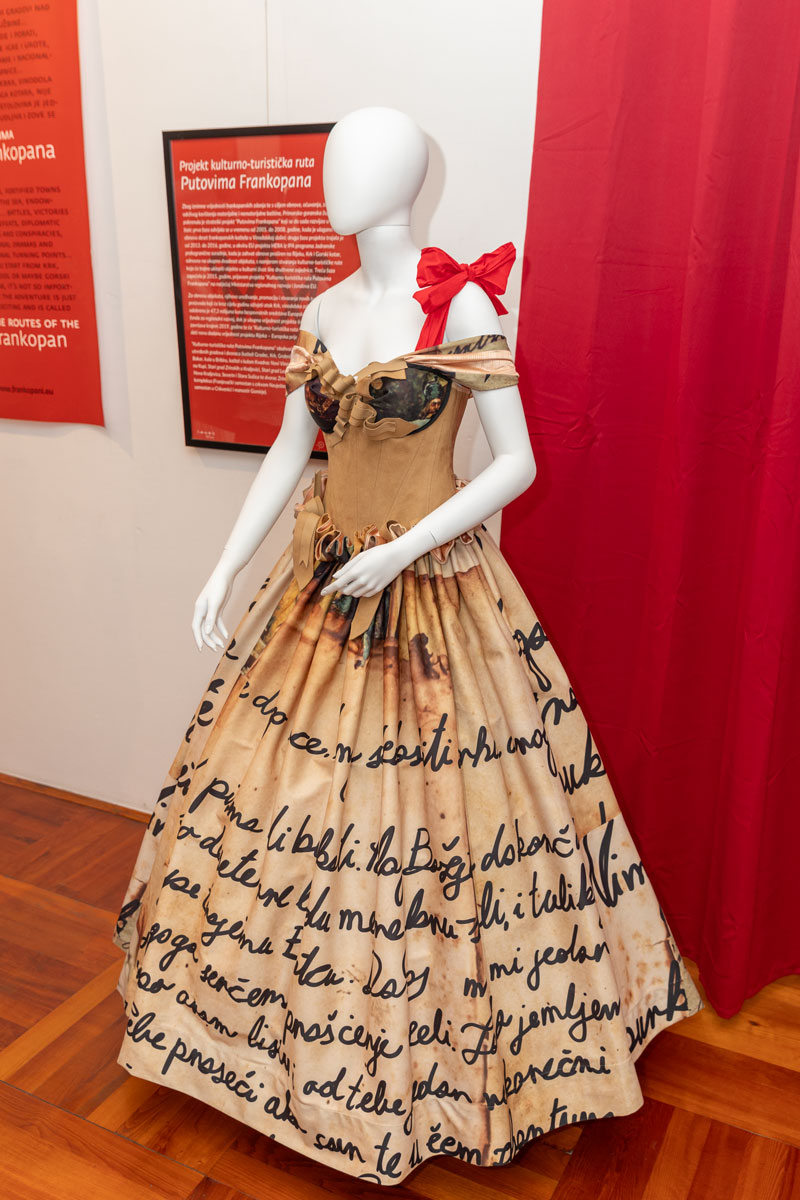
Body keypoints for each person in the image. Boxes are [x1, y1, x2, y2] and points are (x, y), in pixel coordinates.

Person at [113, 106, 703, 1186]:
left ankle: (438, 1062)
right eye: (334, 160)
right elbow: (290, 448)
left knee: (441, 825)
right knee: (280, 812)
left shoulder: (459, 300)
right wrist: (223, 568)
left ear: (407, 180)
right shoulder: (324, 306)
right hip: (323, 586)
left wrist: (404, 549)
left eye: (360, 161)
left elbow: (515, 463)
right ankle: (273, 1049)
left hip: (429, 594)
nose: (336, 179)